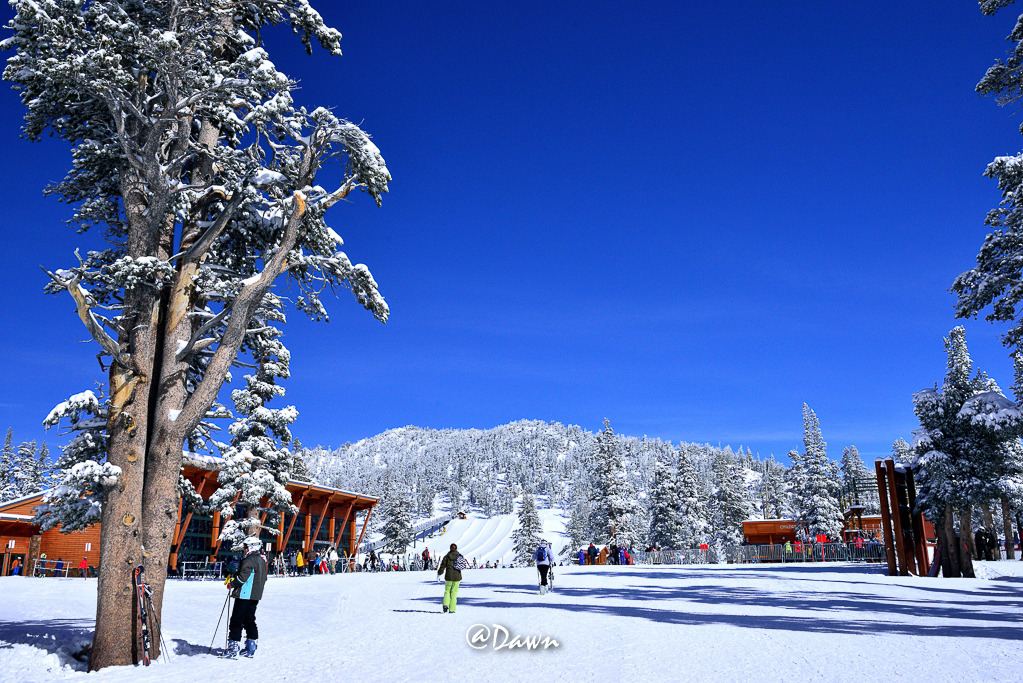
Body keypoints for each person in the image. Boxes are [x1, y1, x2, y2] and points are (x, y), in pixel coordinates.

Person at [226, 537, 268, 659]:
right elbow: (263, 578)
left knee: (236, 620)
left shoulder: (249, 560)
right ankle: (251, 646)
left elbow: (242, 578)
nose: (244, 549)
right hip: (255, 595)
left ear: (251, 547)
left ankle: (233, 648)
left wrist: (232, 584)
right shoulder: (261, 560)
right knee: (249, 619)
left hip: (244, 595)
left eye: (245, 546)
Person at [437, 542, 467, 613]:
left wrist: (439, 573)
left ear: (450, 548)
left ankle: (445, 604)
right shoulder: (460, 556)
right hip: (457, 577)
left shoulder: (446, 557)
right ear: (456, 548)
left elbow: (442, 566)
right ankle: (452, 609)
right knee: (454, 593)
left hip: (448, 576)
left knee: (447, 591)